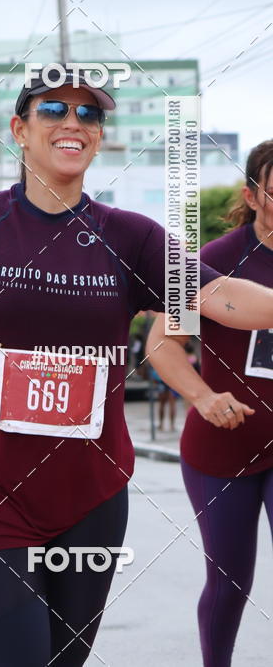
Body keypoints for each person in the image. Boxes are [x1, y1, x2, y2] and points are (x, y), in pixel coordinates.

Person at [0, 67, 273, 666]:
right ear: (21, 130)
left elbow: (223, 298)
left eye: (89, 114)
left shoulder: (130, 239)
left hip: (90, 495)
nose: (73, 123)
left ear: (99, 137)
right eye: (54, 111)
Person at [147, 139, 273, 667]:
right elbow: (160, 341)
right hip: (225, 447)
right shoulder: (216, 261)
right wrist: (200, 394)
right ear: (252, 194)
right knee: (229, 580)